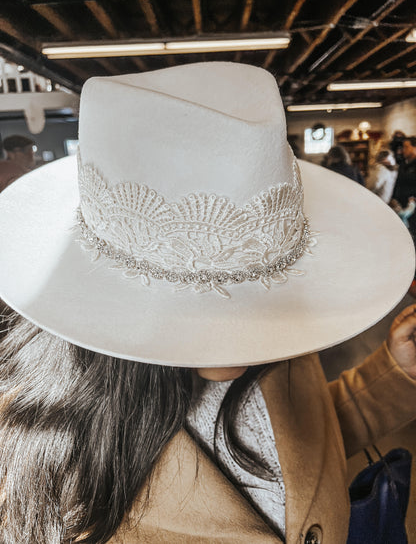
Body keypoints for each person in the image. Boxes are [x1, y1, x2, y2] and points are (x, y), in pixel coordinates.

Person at [0, 63, 416, 544]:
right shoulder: (42, 457)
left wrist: (393, 375)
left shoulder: (284, 337)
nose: (244, 322)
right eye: (223, 289)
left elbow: (306, 447)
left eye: (257, 283)